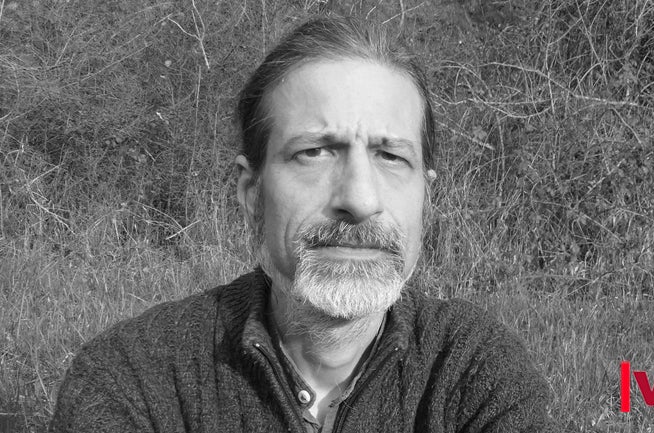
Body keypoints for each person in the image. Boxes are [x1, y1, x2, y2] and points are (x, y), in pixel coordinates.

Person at [51, 16, 556, 433]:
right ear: (252, 193)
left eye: (390, 156)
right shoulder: (133, 379)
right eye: (314, 152)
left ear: (427, 198)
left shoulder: (477, 374)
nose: (360, 199)